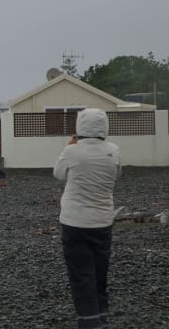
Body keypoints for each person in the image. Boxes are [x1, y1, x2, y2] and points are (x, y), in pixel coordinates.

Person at [53, 108, 121, 329]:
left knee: (81, 275)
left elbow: (58, 174)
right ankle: (102, 317)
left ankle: (90, 323)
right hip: (103, 221)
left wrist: (70, 146)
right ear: (104, 126)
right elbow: (116, 174)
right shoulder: (114, 150)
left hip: (75, 222)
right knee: (100, 272)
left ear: (80, 126)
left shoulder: (71, 151)